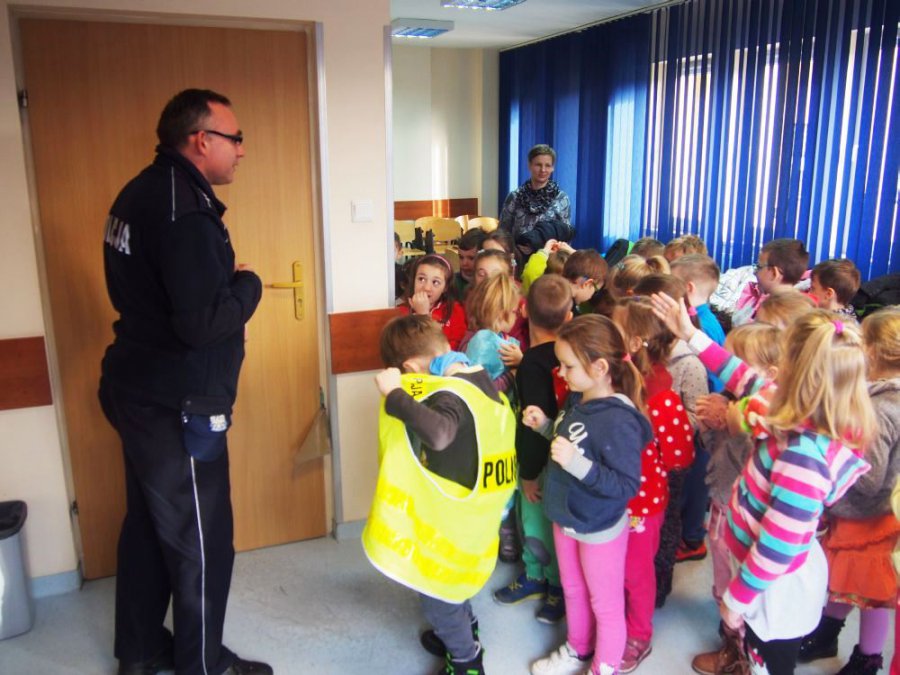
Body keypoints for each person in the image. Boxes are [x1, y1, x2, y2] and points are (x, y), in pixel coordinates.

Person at [98, 89, 270, 675]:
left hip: (137, 387)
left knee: (149, 527)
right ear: (202, 140)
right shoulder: (185, 214)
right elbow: (200, 326)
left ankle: (142, 652)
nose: (240, 150)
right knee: (202, 541)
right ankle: (202, 665)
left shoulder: (139, 193)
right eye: (235, 138)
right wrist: (248, 286)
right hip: (178, 405)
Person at [651, 294, 875, 675]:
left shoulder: (803, 456)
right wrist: (690, 333)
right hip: (764, 576)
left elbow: (778, 545)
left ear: (796, 374)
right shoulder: (793, 408)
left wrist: (736, 600)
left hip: (776, 586)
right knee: (756, 652)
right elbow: (743, 375)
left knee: (768, 662)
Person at [365, 315, 517, 675]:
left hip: (451, 525)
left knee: (438, 597)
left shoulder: (451, 393)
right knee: (454, 586)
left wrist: (396, 394)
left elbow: (440, 434)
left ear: (410, 368)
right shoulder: (476, 381)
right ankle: (465, 629)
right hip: (474, 518)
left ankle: (466, 660)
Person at [524, 315, 652, 675]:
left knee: (605, 605)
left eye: (568, 366)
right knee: (572, 589)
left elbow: (626, 486)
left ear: (599, 368)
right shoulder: (578, 398)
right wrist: (545, 426)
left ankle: (604, 667)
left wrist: (577, 464)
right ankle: (578, 648)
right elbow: (571, 442)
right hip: (565, 517)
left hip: (598, 527)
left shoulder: (619, 419)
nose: (561, 372)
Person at [797, 307, 900, 675]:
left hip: (869, 519)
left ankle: (867, 659)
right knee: (846, 582)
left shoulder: (880, 409)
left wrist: (830, 467)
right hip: (873, 514)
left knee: (872, 596)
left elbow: (868, 479)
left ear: (871, 352)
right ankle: (827, 635)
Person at [689, 322, 782, 675]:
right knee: (722, 575)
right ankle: (731, 637)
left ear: (769, 375)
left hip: (740, 514)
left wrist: (729, 423)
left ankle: (739, 654)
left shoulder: (765, 420)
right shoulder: (733, 402)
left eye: (736, 363)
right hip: (721, 505)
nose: (726, 371)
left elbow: (751, 464)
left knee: (735, 584)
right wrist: (708, 428)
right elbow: (716, 454)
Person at [612, 296, 694, 672]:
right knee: (611, 567)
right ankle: (614, 623)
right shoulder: (610, 381)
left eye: (613, 327)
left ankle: (639, 634)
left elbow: (680, 455)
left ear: (634, 342)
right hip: (609, 498)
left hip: (642, 505)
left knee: (635, 571)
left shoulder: (661, 396)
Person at [493, 275, 572, 625]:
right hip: (568, 456)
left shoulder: (532, 364)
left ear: (524, 310)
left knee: (536, 522)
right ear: (569, 317)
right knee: (552, 526)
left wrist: (527, 473)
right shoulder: (571, 355)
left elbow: (532, 424)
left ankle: (544, 581)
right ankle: (550, 583)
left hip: (540, 462)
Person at [500, 144, 572, 268]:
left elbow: (565, 235)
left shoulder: (561, 198)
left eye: (547, 165)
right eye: (538, 164)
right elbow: (503, 231)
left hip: (549, 262)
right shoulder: (514, 197)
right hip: (518, 259)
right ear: (529, 165)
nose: (543, 170)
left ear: (553, 168)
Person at [732, 238, 810, 326]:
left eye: (759, 267)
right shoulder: (804, 306)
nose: (754, 272)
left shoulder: (771, 312)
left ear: (774, 273)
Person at [399, 254, 467, 350]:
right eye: (421, 279)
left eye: (435, 282)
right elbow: (403, 348)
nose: (427, 287)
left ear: (445, 287)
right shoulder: (401, 311)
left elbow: (452, 349)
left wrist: (424, 316)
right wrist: (420, 315)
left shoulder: (455, 310)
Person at [562, 250, 608, 316]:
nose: (591, 296)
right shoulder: (570, 314)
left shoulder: (549, 284)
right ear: (587, 283)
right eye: (595, 290)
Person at [453, 228, 487, 298]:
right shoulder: (452, 283)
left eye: (471, 258)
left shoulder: (491, 285)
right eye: (461, 257)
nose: (464, 263)